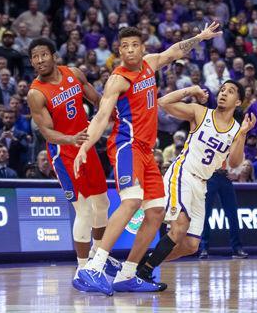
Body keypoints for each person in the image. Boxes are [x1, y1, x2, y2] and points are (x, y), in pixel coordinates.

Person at [75, 23, 221, 295]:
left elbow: (174, 51)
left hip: (146, 151)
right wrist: (85, 146)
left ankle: (127, 274)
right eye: (124, 47)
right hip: (125, 145)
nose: (130, 50)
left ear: (142, 48)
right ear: (119, 51)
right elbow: (102, 115)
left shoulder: (150, 64)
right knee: (131, 201)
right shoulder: (117, 79)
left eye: (134, 45)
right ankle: (93, 268)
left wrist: (200, 38)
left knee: (155, 212)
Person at [135, 81, 255, 286]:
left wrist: (243, 133)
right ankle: (143, 272)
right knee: (180, 226)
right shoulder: (200, 113)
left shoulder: (237, 130)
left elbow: (234, 163)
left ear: (239, 102)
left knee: (191, 245)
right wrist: (191, 90)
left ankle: (139, 265)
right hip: (182, 173)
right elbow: (163, 102)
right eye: (223, 90)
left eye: (231, 91)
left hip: (202, 184)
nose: (224, 93)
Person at [27, 37, 115, 292]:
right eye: (35, 57)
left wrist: (110, 113)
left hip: (86, 145)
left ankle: (99, 258)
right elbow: (47, 132)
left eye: (43, 54)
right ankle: (82, 268)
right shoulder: (36, 93)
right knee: (85, 210)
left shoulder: (74, 73)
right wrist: (71, 139)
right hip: (63, 153)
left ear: (54, 55)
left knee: (103, 203)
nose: (40, 60)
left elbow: (98, 100)